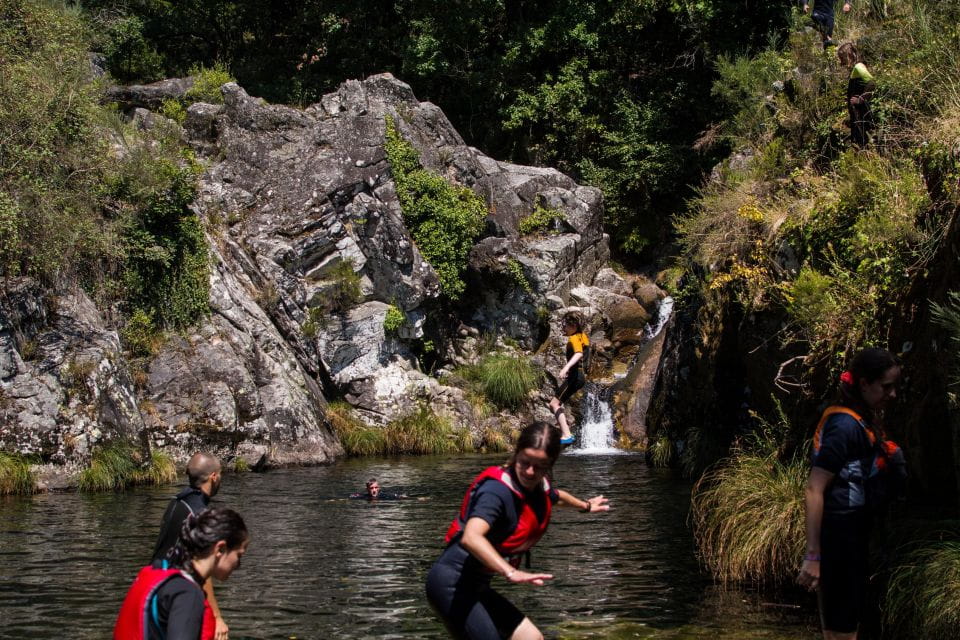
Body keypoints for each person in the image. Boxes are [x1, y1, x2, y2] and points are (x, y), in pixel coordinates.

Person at [426, 421, 610, 639]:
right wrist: (510, 571)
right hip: (450, 585)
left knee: (532, 637)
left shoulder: (537, 486)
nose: (531, 472)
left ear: (551, 463)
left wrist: (585, 506)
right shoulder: (496, 493)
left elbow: (555, 497)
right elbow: (471, 537)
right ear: (516, 454)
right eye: (525, 462)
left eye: (540, 466)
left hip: (476, 585)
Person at [797, 348, 907, 640]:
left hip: (856, 539)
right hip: (838, 543)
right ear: (863, 384)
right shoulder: (843, 425)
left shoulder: (861, 420)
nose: (893, 395)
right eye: (886, 387)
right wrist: (813, 556)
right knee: (839, 632)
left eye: (896, 387)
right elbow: (814, 489)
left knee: (850, 628)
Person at [115, 508, 249, 640]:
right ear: (220, 549)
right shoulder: (188, 594)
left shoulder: (160, 573)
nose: (238, 565)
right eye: (239, 555)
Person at [151, 453, 231, 640]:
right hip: (175, 592)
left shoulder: (176, 502)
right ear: (213, 477)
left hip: (154, 582)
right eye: (220, 474)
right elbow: (201, 568)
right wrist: (217, 617)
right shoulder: (199, 514)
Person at [548, 311, 590, 446]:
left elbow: (578, 354)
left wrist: (566, 368)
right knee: (558, 403)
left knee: (554, 404)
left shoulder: (573, 339)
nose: (563, 328)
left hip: (576, 376)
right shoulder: (583, 336)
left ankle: (566, 434)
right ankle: (566, 432)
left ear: (573, 325)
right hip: (580, 375)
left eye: (565, 325)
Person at [838, 43, 875, 147]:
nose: (841, 62)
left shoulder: (858, 67)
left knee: (865, 142)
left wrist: (860, 99)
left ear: (849, 55)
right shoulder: (855, 69)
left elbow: (871, 83)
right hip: (857, 114)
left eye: (842, 58)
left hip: (862, 112)